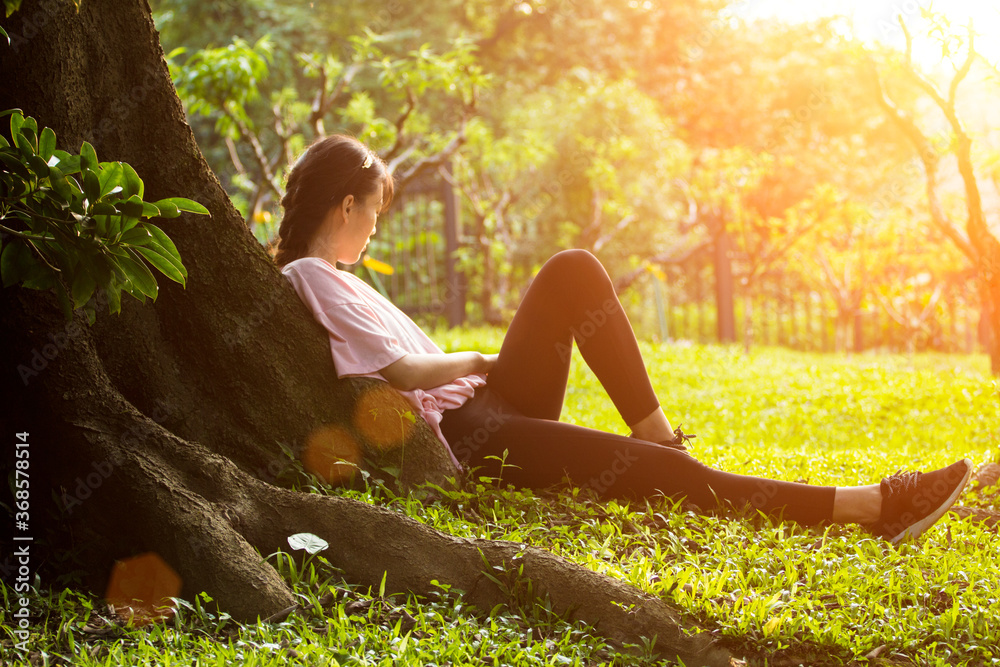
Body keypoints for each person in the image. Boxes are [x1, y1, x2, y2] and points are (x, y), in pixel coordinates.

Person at [275, 134, 972, 545]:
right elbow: (400, 368)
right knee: (661, 478)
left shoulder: (329, 273)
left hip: (494, 402)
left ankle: (662, 433)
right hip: (475, 431)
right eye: (374, 210)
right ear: (345, 205)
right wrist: (481, 358)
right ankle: (871, 506)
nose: (376, 226)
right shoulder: (312, 273)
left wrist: (491, 370)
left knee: (573, 270)